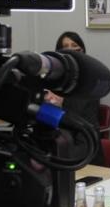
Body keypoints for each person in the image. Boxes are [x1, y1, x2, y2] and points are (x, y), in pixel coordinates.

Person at [45, 31, 104, 165]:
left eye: (74, 46)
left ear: (82, 51)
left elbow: (82, 126)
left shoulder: (89, 85)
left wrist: (61, 106)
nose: (70, 50)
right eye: (65, 47)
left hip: (83, 152)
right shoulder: (52, 82)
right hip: (54, 150)